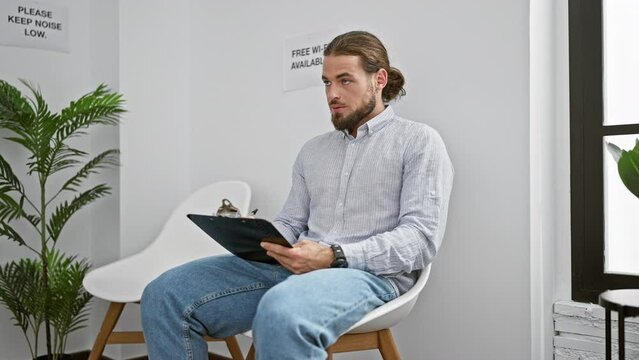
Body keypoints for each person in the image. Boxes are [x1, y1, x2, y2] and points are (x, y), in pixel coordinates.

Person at [141, 30, 454, 360]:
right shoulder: (313, 151)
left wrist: (333, 255)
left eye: (345, 80)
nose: (332, 93)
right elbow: (292, 221)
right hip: (294, 268)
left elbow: (420, 240)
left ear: (379, 79)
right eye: (326, 82)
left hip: (370, 276)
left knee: (283, 311)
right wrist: (267, 240)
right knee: (164, 293)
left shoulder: (418, 141)